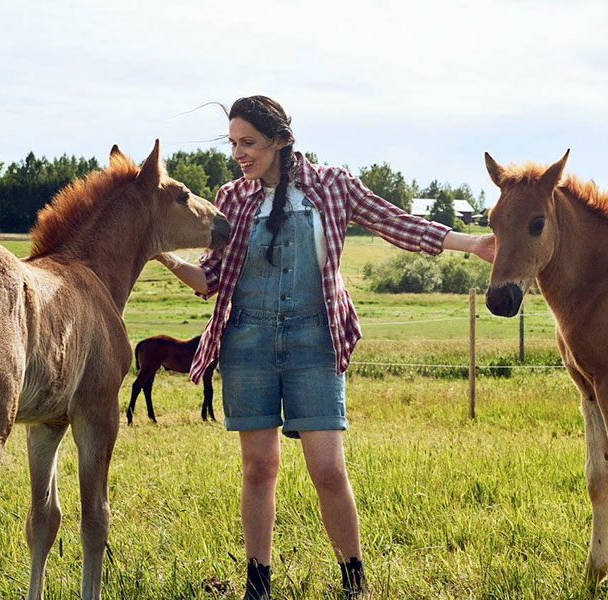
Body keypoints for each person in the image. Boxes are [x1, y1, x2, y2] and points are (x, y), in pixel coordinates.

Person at [154, 95, 494, 599]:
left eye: (247, 142)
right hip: (246, 339)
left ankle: (354, 583)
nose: (238, 154)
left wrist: (471, 243)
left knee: (328, 468)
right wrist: (158, 252)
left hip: (315, 337)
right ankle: (257, 585)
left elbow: (396, 221)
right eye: (232, 143)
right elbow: (210, 278)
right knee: (258, 467)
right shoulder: (228, 198)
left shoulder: (332, 185)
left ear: (280, 140)